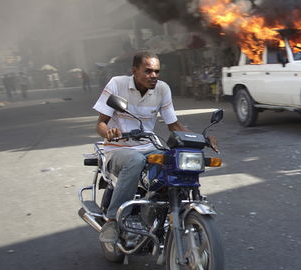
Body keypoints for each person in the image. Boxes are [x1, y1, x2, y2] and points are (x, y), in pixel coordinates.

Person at [92, 51, 218, 243]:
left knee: (175, 161)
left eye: (157, 71)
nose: (154, 76)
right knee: (135, 160)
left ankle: (158, 212)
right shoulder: (117, 84)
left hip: (149, 145)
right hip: (118, 148)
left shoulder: (162, 89)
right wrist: (108, 132)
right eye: (148, 71)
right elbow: (100, 123)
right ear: (134, 70)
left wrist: (202, 138)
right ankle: (111, 220)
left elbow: (173, 125)